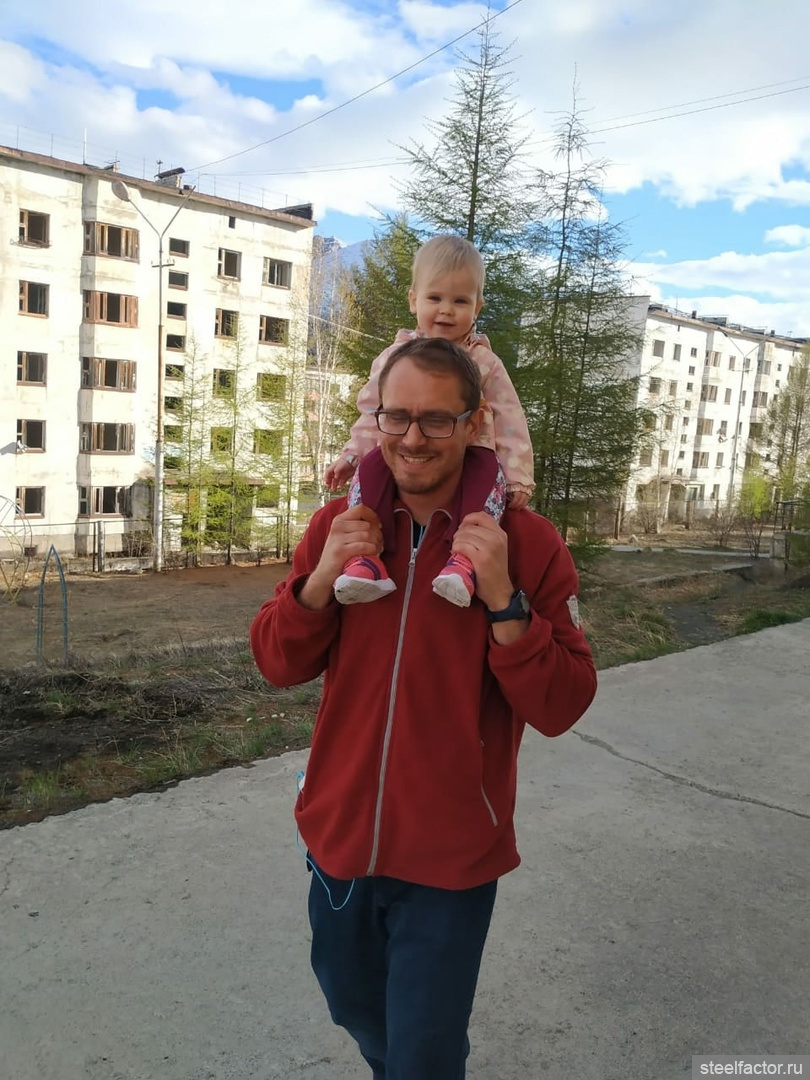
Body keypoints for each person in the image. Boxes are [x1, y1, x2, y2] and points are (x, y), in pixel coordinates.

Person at [251, 336, 597, 1080]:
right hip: (340, 840)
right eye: (396, 417)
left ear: (474, 424)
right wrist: (319, 580)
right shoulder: (340, 528)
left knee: (426, 1054)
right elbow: (278, 662)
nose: (413, 438)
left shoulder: (527, 544)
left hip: (452, 858)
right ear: (376, 418)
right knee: (355, 1009)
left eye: (437, 419)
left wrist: (504, 600)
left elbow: (564, 702)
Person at [324, 235, 535, 609]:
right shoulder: (394, 358)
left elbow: (510, 419)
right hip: (405, 462)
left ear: (477, 306)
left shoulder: (484, 363)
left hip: (472, 455)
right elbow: (374, 412)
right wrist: (352, 454)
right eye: (435, 298)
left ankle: (464, 562)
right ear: (413, 300)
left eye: (460, 301)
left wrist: (518, 475)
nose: (446, 311)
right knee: (371, 473)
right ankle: (364, 559)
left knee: (486, 481)